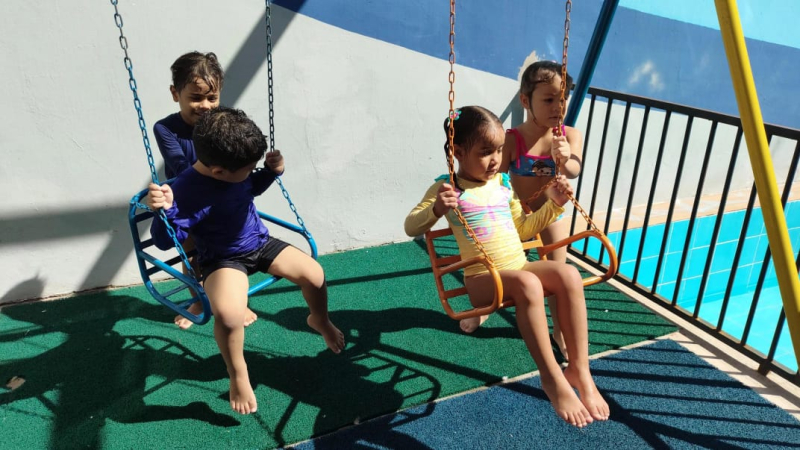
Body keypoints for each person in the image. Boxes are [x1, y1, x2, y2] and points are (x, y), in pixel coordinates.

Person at [404, 106, 608, 427]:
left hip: (518, 267)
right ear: (458, 152)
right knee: (528, 285)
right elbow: (411, 226)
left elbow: (523, 229)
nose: (496, 159)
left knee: (568, 274)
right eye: (485, 152)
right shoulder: (448, 188)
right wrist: (437, 209)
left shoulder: (501, 184)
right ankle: (551, 377)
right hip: (482, 280)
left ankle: (580, 370)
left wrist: (554, 204)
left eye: (499, 150)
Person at [146, 106, 345, 414]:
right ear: (218, 172)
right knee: (228, 316)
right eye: (249, 168)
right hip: (223, 259)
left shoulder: (234, 168)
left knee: (314, 273)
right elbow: (163, 241)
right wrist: (164, 211)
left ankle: (319, 318)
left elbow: (251, 187)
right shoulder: (183, 191)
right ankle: (238, 374)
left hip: (259, 242)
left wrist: (271, 172)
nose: (251, 172)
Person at [152, 51, 257, 330]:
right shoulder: (165, 128)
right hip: (187, 199)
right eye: (196, 98)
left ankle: (238, 301)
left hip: (222, 197)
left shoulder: (223, 122)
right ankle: (198, 300)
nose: (205, 106)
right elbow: (180, 164)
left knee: (230, 251)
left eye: (212, 98)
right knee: (192, 254)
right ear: (175, 94)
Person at [500, 60, 584, 361]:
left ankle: (559, 330)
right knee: (498, 263)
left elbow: (574, 169)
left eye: (563, 98)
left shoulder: (569, 136)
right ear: (526, 101)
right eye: (548, 99)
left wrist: (566, 158)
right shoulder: (512, 139)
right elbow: (496, 178)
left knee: (559, 274)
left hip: (549, 213)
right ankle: (484, 309)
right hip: (517, 215)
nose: (558, 107)